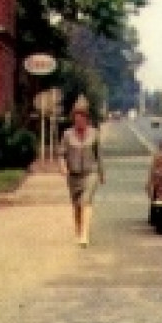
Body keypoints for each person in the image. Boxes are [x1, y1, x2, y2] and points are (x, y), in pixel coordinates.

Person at [58, 96, 105, 247]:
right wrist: (63, 167)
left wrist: (102, 174)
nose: (79, 121)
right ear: (73, 118)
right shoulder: (67, 135)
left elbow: (99, 155)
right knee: (77, 206)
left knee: (86, 202)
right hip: (73, 176)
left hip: (91, 173)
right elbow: (61, 154)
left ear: (87, 118)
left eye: (82, 117)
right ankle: (79, 230)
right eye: (77, 117)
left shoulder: (94, 133)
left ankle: (85, 234)